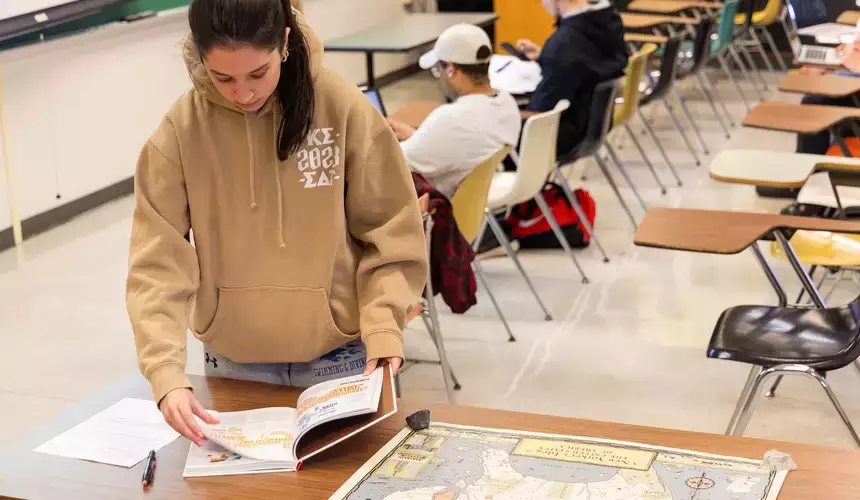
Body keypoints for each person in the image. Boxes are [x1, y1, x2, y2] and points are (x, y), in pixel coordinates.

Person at [126, 0, 427, 445]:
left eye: (258, 74)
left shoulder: (341, 107)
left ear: (284, 44)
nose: (243, 93)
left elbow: (390, 229)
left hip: (340, 357)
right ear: (199, 56)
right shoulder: (180, 131)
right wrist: (165, 371)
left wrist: (385, 326)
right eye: (222, 77)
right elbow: (156, 262)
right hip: (233, 359)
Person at [388, 24, 521, 199]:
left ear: (451, 69)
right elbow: (461, 144)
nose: (439, 79)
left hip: (443, 206)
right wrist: (417, 136)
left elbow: (394, 163)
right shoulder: (506, 102)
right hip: (482, 193)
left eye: (438, 70)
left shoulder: (451, 118)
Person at [515, 0, 628, 158]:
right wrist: (545, 56)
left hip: (558, 137)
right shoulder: (607, 19)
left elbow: (540, 114)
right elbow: (587, 61)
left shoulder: (564, 44)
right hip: (594, 126)